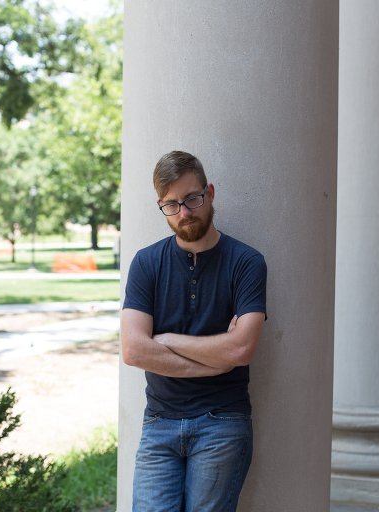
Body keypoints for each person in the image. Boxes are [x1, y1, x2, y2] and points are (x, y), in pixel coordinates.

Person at [121, 151, 267, 512]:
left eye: (192, 198)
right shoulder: (146, 263)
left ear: (210, 193)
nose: (184, 212)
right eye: (171, 205)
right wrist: (216, 360)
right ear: (161, 206)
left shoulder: (246, 262)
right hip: (159, 422)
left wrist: (167, 341)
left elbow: (240, 351)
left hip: (222, 420)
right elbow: (134, 351)